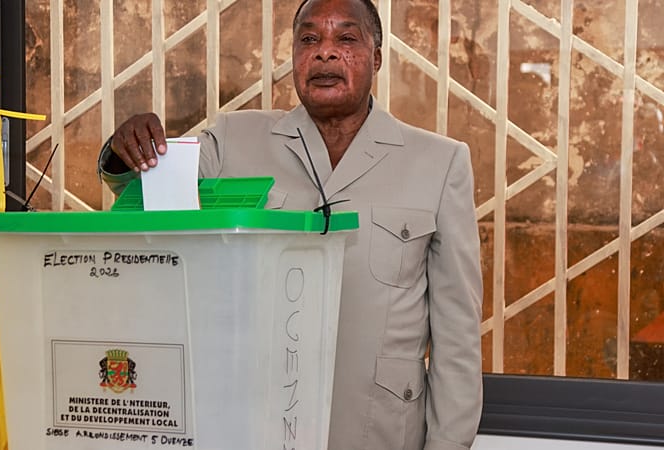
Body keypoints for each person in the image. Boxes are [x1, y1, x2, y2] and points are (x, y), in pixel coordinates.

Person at [98, 0, 483, 449]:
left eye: (346, 38)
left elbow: (457, 337)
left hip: (379, 431)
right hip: (251, 425)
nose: (325, 52)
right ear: (294, 57)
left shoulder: (439, 162)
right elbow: (145, 194)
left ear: (376, 56)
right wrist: (123, 151)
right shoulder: (234, 139)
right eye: (309, 38)